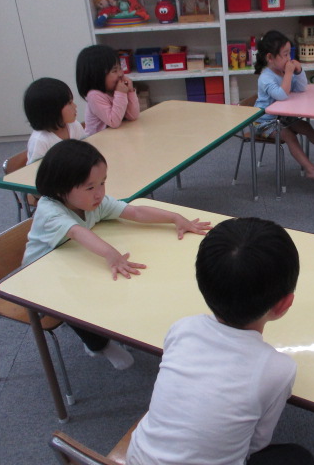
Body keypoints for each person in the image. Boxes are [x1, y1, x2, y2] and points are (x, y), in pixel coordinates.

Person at [127, 217, 314, 465]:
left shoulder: (182, 328)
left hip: (137, 458)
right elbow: (256, 445)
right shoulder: (280, 368)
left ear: (202, 286)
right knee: (298, 457)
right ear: (284, 304)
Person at [22, 139, 211, 369]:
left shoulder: (92, 203)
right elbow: (78, 232)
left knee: (111, 289)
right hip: (39, 277)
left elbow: (135, 211)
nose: (99, 193)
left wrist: (174, 218)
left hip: (71, 262)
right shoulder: (50, 210)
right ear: (61, 188)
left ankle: (107, 327)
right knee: (75, 304)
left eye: (102, 183)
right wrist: (111, 254)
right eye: (90, 187)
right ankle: (97, 345)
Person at [253, 30, 314, 184]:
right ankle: (310, 169)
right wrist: (289, 74)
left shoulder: (283, 71)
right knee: (289, 135)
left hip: (282, 117)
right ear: (270, 58)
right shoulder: (266, 78)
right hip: (263, 121)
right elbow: (281, 95)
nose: (289, 59)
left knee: (306, 127)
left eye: (289, 54)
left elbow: (302, 88)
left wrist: (299, 71)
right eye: (284, 55)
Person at [76, 44, 140, 135]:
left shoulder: (116, 90)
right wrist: (121, 94)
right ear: (96, 76)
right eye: (114, 71)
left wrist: (130, 91)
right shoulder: (94, 95)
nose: (120, 74)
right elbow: (114, 122)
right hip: (98, 140)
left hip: (117, 136)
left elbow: (133, 116)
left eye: (120, 68)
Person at [23, 77, 86, 164]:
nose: (75, 106)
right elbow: (36, 170)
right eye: (69, 103)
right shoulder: (40, 141)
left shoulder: (74, 125)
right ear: (52, 111)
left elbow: (85, 150)